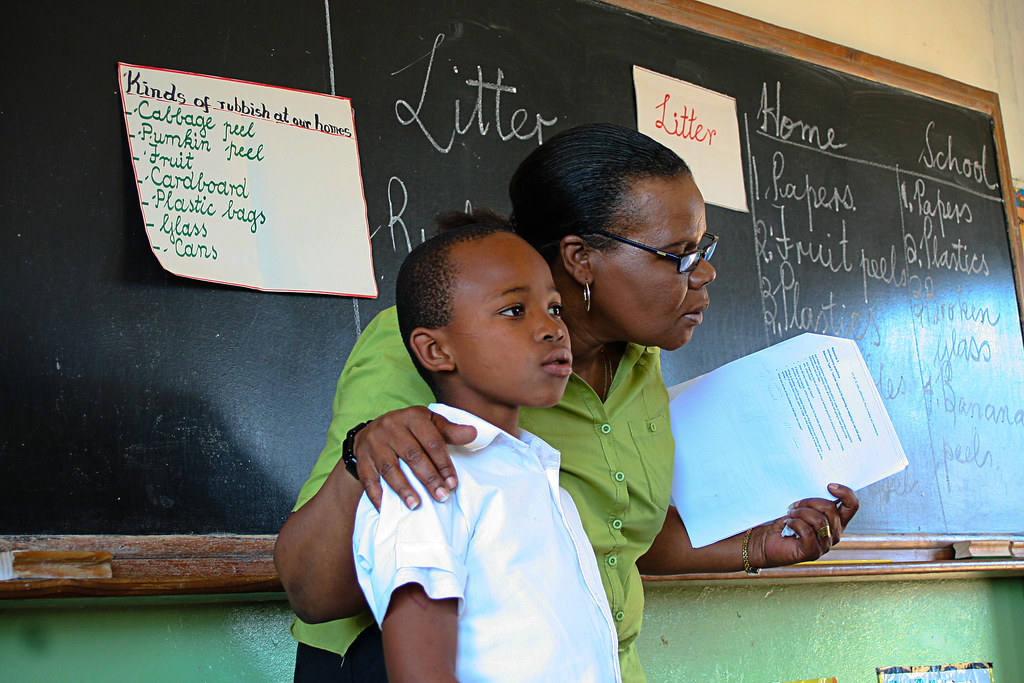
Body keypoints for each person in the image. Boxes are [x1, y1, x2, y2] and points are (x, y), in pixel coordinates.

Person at [274, 123, 860, 683]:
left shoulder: (637, 361)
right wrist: (364, 455)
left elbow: (601, 537)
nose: (703, 273)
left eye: (703, 247)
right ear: (580, 259)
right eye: (677, 254)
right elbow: (325, 585)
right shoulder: (436, 345)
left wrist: (758, 545)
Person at [353, 213, 621, 682]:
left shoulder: (541, 479)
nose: (552, 329)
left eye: (555, 308)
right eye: (515, 311)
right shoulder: (428, 481)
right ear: (436, 351)